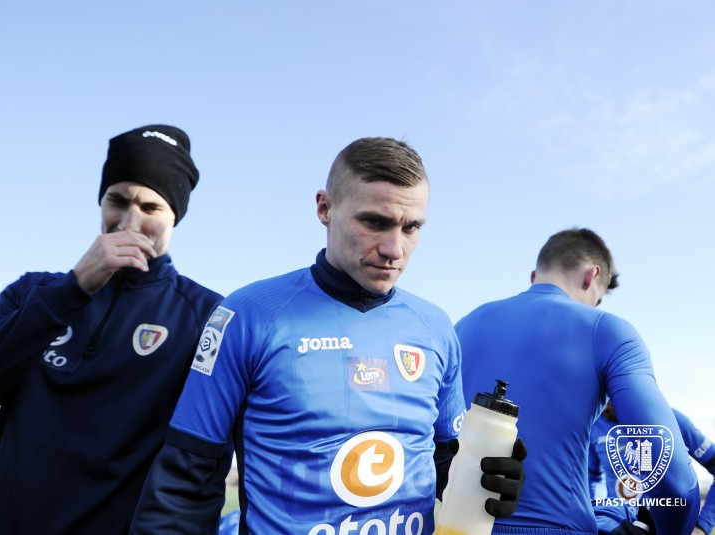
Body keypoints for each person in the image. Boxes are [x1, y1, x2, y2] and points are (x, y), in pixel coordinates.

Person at [130, 137, 526, 534]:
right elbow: (185, 477)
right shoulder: (246, 315)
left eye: (411, 227)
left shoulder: (436, 328)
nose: (394, 249)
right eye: (375, 222)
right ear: (324, 208)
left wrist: (488, 476)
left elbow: (444, 461)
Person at [0, 125, 223, 533]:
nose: (130, 221)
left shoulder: (204, 315)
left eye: (151, 207)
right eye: (118, 201)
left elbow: (202, 464)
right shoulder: (34, 292)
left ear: (175, 217)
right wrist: (71, 292)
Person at [456, 228, 700, 534]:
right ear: (591, 276)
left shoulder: (463, 325)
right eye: (597, 300)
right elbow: (673, 477)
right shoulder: (607, 331)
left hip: (455, 525)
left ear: (534, 276)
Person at [590, 400, 715, 535]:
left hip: (668, 528)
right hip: (621, 527)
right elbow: (591, 479)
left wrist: (703, 526)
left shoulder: (668, 417)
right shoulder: (593, 426)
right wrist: (593, 515)